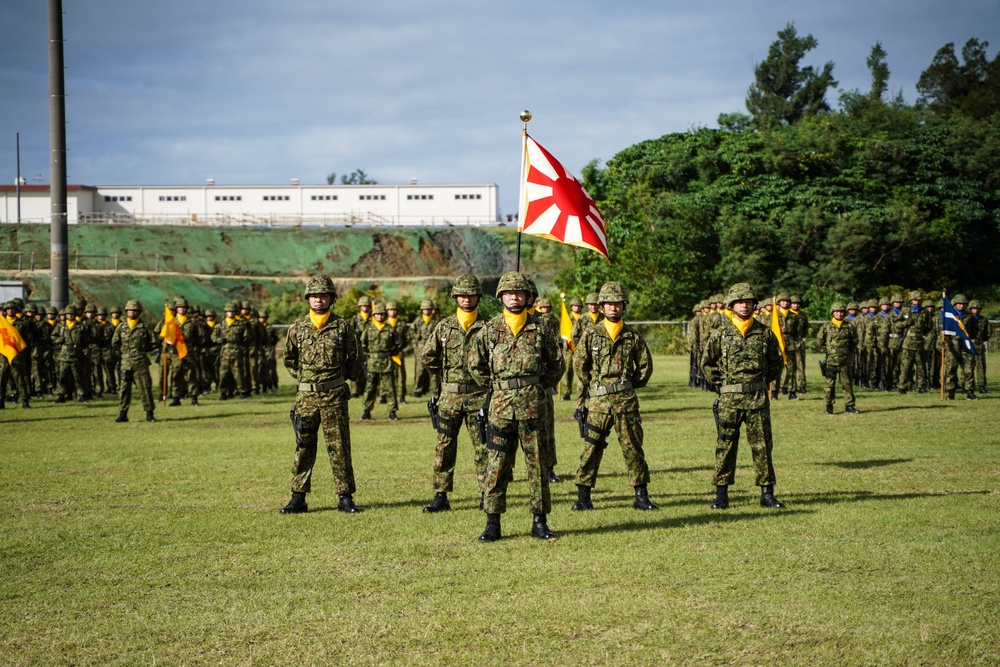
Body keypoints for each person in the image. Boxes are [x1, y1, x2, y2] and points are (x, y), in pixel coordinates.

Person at [468, 271, 564, 542]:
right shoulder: (489, 330)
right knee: (496, 465)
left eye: (519, 293)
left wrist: (538, 386)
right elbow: (476, 364)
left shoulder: (541, 327)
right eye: (509, 293)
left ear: (528, 297)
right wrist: (498, 387)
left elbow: (556, 363)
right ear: (501, 297)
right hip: (500, 408)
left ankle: (540, 520)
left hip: (534, 407)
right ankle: (492, 522)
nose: (514, 297)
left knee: (537, 464)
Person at [280, 275, 365, 514]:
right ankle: (298, 497)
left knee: (339, 446)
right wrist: (306, 380)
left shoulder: (343, 327)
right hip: (306, 398)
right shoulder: (297, 327)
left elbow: (356, 358)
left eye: (323, 295)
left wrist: (338, 381)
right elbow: (289, 359)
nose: (319, 300)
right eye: (315, 296)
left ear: (331, 298)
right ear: (308, 298)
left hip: (334, 396)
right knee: (304, 445)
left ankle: (344, 497)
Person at [570, 281, 656, 512]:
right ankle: (583, 496)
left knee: (633, 448)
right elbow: (580, 364)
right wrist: (596, 385)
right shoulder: (590, 333)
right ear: (602, 306)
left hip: (626, 401)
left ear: (623, 306)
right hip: (599, 403)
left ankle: (641, 496)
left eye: (618, 304)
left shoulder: (633, 336)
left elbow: (645, 367)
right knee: (591, 447)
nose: (613, 308)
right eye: (609, 304)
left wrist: (628, 385)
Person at [700, 282, 785, 510]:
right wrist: (723, 385)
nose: (744, 306)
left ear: (754, 304)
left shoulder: (764, 333)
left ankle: (767, 493)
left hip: (757, 399)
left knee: (762, 446)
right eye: (740, 302)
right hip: (729, 401)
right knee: (725, 445)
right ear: (732, 305)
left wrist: (761, 381)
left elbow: (777, 362)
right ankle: (721, 494)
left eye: (748, 302)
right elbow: (707, 364)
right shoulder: (720, 334)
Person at [419, 275, 489, 513]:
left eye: (470, 295)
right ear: (455, 297)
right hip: (449, 398)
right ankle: (441, 495)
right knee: (444, 446)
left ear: (478, 296)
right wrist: (446, 377)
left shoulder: (488, 327)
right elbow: (427, 356)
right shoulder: (444, 327)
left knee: (484, 446)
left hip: (479, 396)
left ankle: (486, 493)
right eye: (462, 295)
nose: (466, 299)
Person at [111, 299, 158, 423]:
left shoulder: (145, 326)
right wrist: (125, 353)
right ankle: (122, 414)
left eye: (135, 310)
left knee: (145, 388)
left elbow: (153, 342)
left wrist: (141, 351)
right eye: (130, 310)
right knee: (124, 389)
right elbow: (115, 343)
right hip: (125, 362)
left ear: (139, 312)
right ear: (126, 311)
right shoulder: (121, 326)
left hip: (140, 362)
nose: (132, 312)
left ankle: (149, 414)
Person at [816, 302, 860, 415]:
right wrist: (828, 350)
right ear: (832, 313)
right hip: (831, 361)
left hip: (845, 360)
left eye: (841, 312)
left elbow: (854, 341)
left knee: (847, 383)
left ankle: (849, 406)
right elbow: (820, 340)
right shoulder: (827, 326)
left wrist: (848, 352)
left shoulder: (849, 326)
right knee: (829, 384)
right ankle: (829, 406)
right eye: (836, 312)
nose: (839, 314)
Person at [360, 302, 400, 420]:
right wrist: (369, 356)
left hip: (387, 362)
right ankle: (366, 411)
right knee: (370, 388)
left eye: (382, 314)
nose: (380, 316)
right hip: (372, 362)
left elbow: (398, 344)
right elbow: (363, 345)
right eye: (377, 314)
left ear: (385, 315)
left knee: (390, 388)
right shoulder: (368, 330)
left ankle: (392, 411)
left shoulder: (391, 330)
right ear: (374, 315)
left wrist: (390, 353)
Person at [411, 299, 439, 398]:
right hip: (421, 349)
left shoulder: (436, 321)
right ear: (422, 310)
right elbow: (411, 333)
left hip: (432, 349)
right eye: (425, 309)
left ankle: (436, 390)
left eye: (429, 309)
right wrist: (415, 345)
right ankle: (417, 390)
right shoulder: (418, 321)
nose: (427, 311)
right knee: (420, 371)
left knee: (434, 371)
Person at [968, 299, 991, 394]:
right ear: (970, 309)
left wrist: (982, 340)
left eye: (977, 308)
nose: (975, 310)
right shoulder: (966, 318)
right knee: (968, 367)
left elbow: (988, 332)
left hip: (979, 345)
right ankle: (966, 386)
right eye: (973, 308)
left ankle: (982, 386)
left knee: (981, 367)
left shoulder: (983, 319)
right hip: (968, 345)